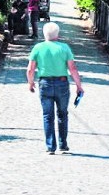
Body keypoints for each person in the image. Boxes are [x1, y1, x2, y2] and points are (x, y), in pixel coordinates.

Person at [27, 22, 83, 154]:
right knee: (62, 114)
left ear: (44, 34)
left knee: (48, 115)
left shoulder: (38, 48)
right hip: (62, 84)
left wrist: (30, 83)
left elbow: (30, 69)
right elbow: (72, 68)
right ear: (57, 34)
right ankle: (63, 144)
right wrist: (78, 85)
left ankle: (50, 146)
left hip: (44, 84)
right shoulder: (65, 48)